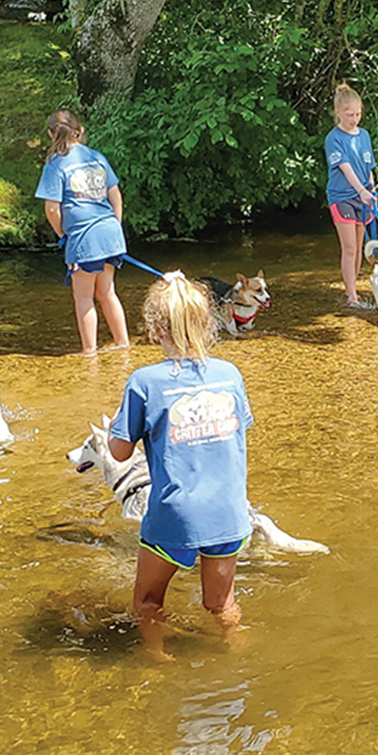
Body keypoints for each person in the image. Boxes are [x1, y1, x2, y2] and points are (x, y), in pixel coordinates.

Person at [108, 272, 254, 661]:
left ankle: (156, 658)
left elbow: (120, 452)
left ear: (155, 329)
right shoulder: (230, 375)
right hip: (228, 511)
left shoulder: (144, 382)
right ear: (208, 324)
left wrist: (115, 426)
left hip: (177, 514)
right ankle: (237, 654)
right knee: (221, 605)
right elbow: (238, 434)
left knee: (147, 601)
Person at [35, 109, 131, 355]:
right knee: (107, 292)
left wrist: (63, 236)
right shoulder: (97, 157)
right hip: (109, 232)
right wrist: (114, 226)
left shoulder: (55, 164)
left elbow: (52, 209)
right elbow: (115, 195)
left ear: (50, 134)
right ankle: (123, 344)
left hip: (83, 238)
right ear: (82, 131)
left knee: (84, 297)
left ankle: (90, 352)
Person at [324, 82, 377, 310]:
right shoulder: (333, 138)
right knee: (350, 248)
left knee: (359, 246)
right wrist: (362, 191)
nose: (354, 119)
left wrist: (372, 190)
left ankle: (353, 287)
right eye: (349, 114)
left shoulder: (364, 135)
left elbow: (368, 165)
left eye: (357, 114)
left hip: (362, 196)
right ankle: (351, 296)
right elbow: (345, 167)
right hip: (342, 196)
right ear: (338, 113)